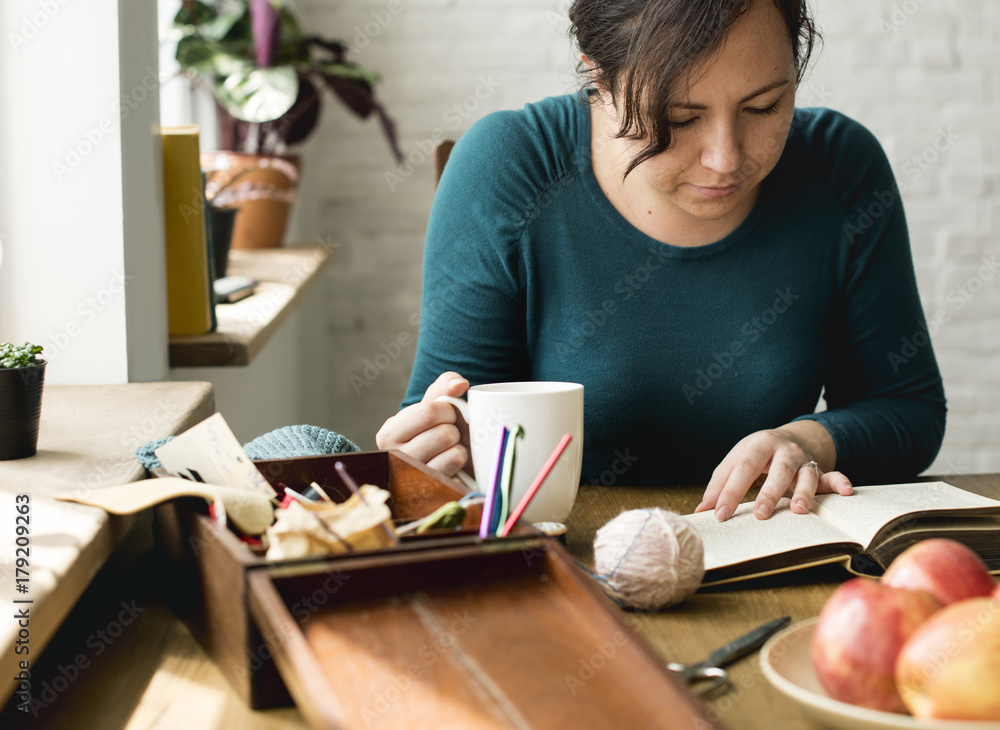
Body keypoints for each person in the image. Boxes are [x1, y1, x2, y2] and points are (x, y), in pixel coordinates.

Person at [376, 0, 946, 523]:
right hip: (567, 567)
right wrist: (425, 454)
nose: (726, 158)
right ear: (598, 77)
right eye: (679, 116)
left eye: (765, 105)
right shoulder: (510, 168)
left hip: (771, 552)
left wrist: (810, 442)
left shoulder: (840, 170)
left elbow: (908, 408)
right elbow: (448, 429)